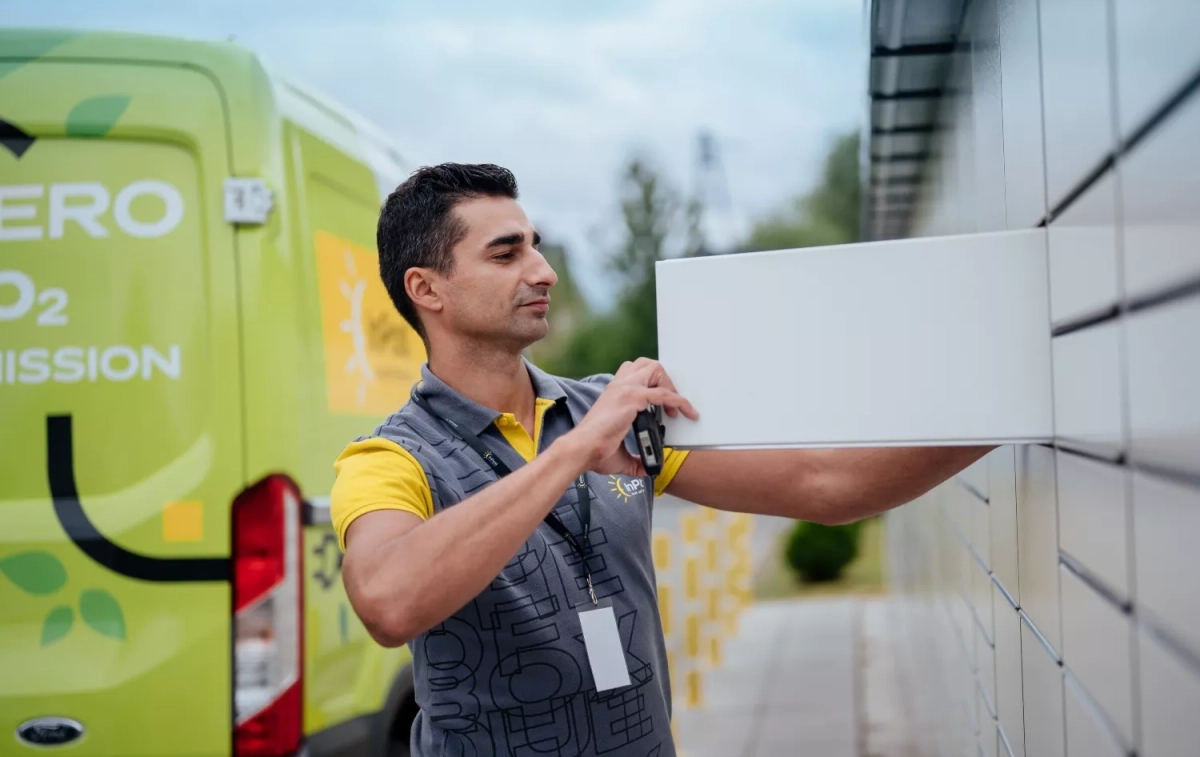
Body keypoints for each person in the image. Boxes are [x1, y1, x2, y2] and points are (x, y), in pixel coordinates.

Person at [332, 163, 990, 757]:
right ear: (427, 289)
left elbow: (826, 484)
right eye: (507, 253)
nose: (543, 271)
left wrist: (1010, 409)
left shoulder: (620, 410)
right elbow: (389, 602)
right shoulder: (390, 458)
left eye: (536, 245)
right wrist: (571, 455)